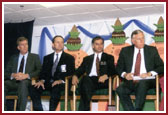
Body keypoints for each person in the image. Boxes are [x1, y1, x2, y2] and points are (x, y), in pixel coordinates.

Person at [116, 30, 164, 111]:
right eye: (139, 39)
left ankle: (138, 110)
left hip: (148, 81)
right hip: (131, 80)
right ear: (133, 41)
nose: (142, 40)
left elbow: (162, 67)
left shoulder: (152, 50)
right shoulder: (125, 51)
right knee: (120, 89)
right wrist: (125, 75)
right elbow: (118, 68)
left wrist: (149, 73)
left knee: (142, 83)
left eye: (143, 38)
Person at [29, 35, 75, 111]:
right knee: (33, 88)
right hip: (47, 83)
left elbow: (71, 73)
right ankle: (39, 111)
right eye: (57, 42)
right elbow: (43, 72)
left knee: (56, 89)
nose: (60, 44)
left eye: (62, 42)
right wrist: (41, 80)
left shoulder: (69, 58)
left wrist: (60, 80)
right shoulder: (47, 58)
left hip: (61, 84)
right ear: (53, 44)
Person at [72, 36, 116, 111]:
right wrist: (75, 75)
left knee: (84, 85)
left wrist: (106, 75)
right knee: (85, 80)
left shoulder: (109, 57)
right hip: (90, 81)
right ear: (93, 46)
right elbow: (80, 69)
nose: (99, 46)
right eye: (97, 44)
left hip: (103, 81)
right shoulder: (87, 59)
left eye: (101, 44)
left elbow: (113, 70)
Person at [4, 37, 41, 111]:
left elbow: (40, 70)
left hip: (27, 81)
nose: (25, 46)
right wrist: (14, 75)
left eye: (26, 44)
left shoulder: (35, 57)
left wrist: (26, 75)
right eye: (22, 45)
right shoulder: (13, 58)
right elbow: (5, 72)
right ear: (18, 47)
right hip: (13, 81)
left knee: (23, 83)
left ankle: (20, 111)